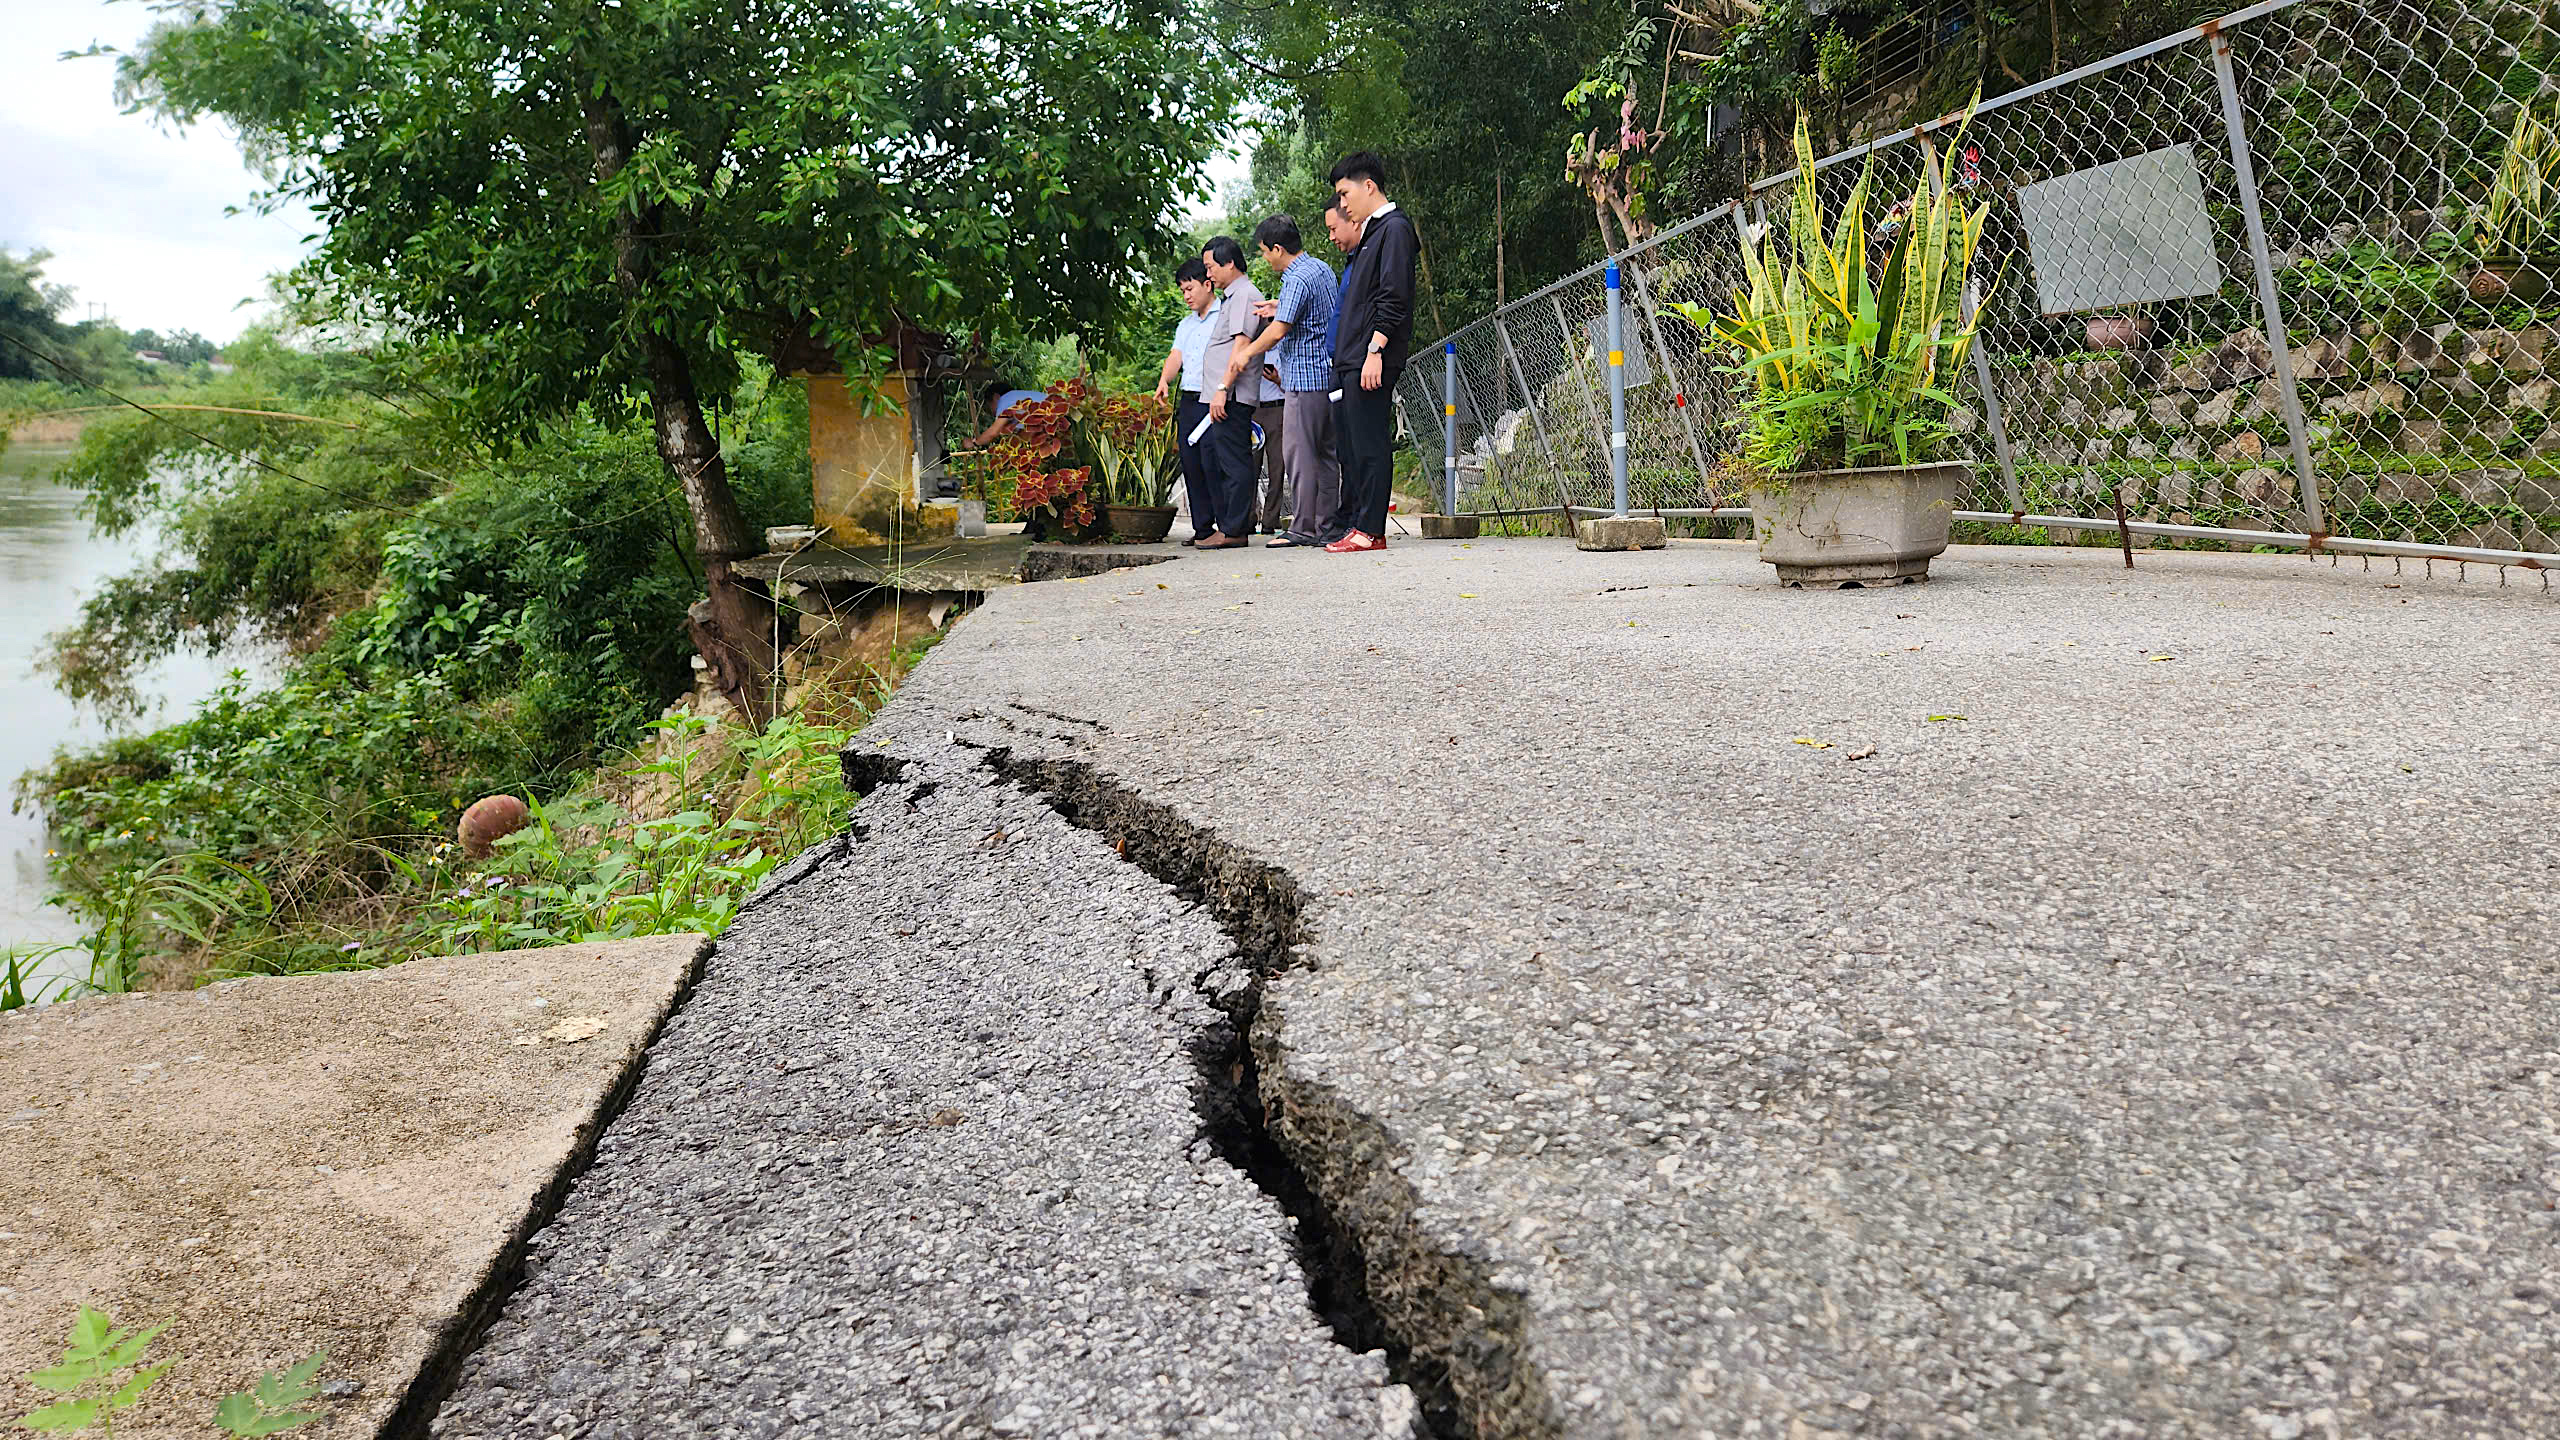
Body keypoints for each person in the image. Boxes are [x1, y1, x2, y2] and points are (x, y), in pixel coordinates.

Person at [1224, 213, 1341, 548]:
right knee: (1326, 454)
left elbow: (1278, 331)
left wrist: (1246, 354)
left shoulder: (1296, 279)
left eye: (1264, 251)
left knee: (1299, 454)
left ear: (1277, 249)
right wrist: (1279, 305)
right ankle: (1326, 525)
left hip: (1303, 379)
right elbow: (1316, 312)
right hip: (1327, 376)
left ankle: (1303, 527)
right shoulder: (1319, 268)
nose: (1265, 258)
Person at [1326, 151, 1417, 554]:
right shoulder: (1372, 233)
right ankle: (1359, 525)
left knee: (1371, 443)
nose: (1343, 204)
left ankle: (1371, 530)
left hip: (1372, 355)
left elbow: (1394, 296)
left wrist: (1375, 349)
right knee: (1356, 445)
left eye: (1345, 194)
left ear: (1369, 186)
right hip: (1354, 356)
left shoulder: (1395, 229)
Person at [1196, 236, 1274, 550]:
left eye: (1210, 266)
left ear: (1229, 263)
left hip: (1232, 395)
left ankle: (1235, 530)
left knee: (1234, 463)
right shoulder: (1233, 296)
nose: (1208, 274)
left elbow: (1241, 347)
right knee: (1226, 460)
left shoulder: (1243, 295)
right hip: (1227, 394)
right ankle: (1231, 526)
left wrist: (1222, 388)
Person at [1153, 258, 1221, 546]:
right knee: (1191, 462)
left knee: (1213, 461)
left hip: (1215, 397)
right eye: (1182, 291)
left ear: (1207, 284)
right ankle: (1202, 528)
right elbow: (1176, 356)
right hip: (1190, 398)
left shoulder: (1224, 316)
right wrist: (1164, 381)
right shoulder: (1186, 324)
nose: (1186, 296)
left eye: (1190, 288)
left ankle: (1226, 526)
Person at [965, 380, 1045, 449]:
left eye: (989, 406)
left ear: (996, 397)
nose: (992, 412)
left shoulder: (1005, 400)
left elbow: (993, 432)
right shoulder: (1018, 398)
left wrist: (975, 443)